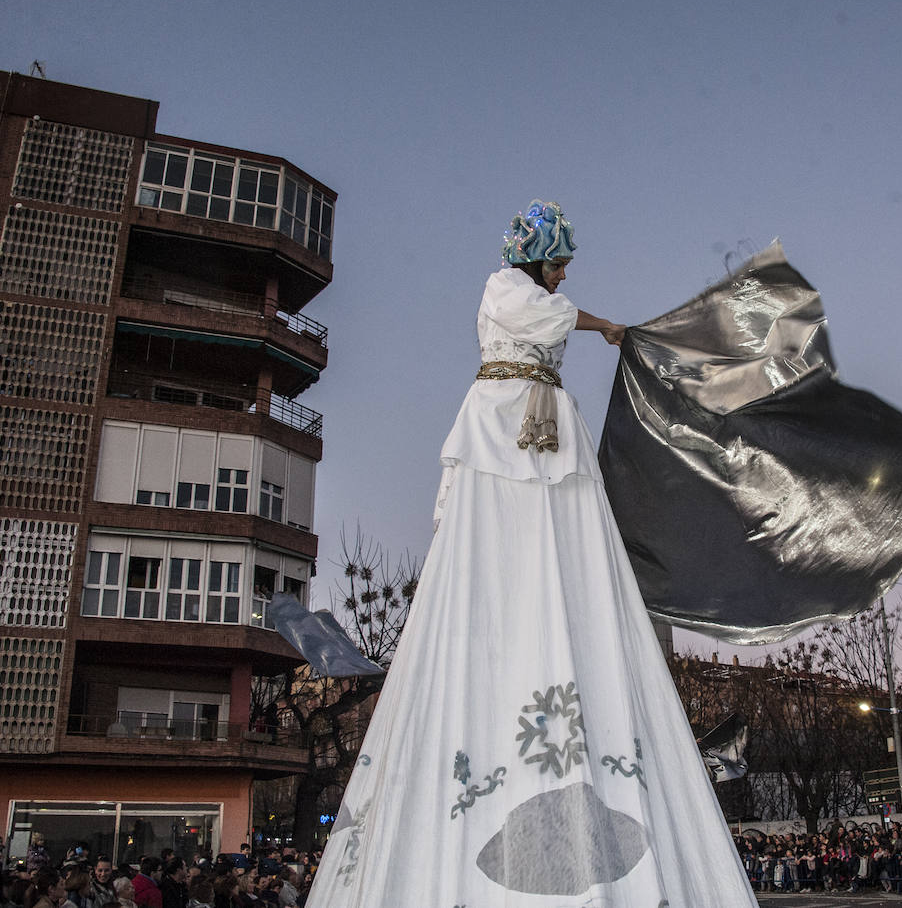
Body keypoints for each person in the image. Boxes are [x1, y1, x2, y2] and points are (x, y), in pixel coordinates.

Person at [304, 201, 758, 908]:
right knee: (502, 534)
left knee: (570, 530)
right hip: (504, 425)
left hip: (547, 426)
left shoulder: (538, 299)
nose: (564, 271)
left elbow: (558, 316)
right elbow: (551, 316)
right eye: (557, 260)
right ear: (532, 259)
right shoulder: (505, 289)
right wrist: (602, 322)